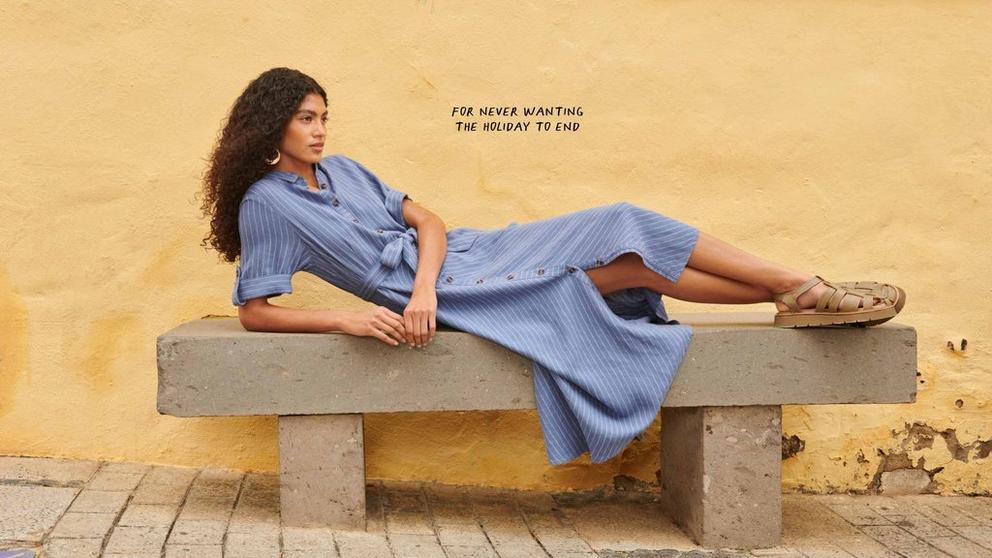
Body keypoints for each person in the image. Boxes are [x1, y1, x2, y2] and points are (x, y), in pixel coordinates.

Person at [199, 67, 905, 465]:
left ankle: (794, 290)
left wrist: (419, 284)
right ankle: (801, 289)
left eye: (324, 115)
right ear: (272, 128)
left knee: (629, 239)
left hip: (464, 259)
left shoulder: (346, 169)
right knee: (631, 255)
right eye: (305, 119)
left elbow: (431, 221)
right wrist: (351, 317)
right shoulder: (268, 204)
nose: (320, 130)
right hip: (463, 296)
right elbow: (255, 311)